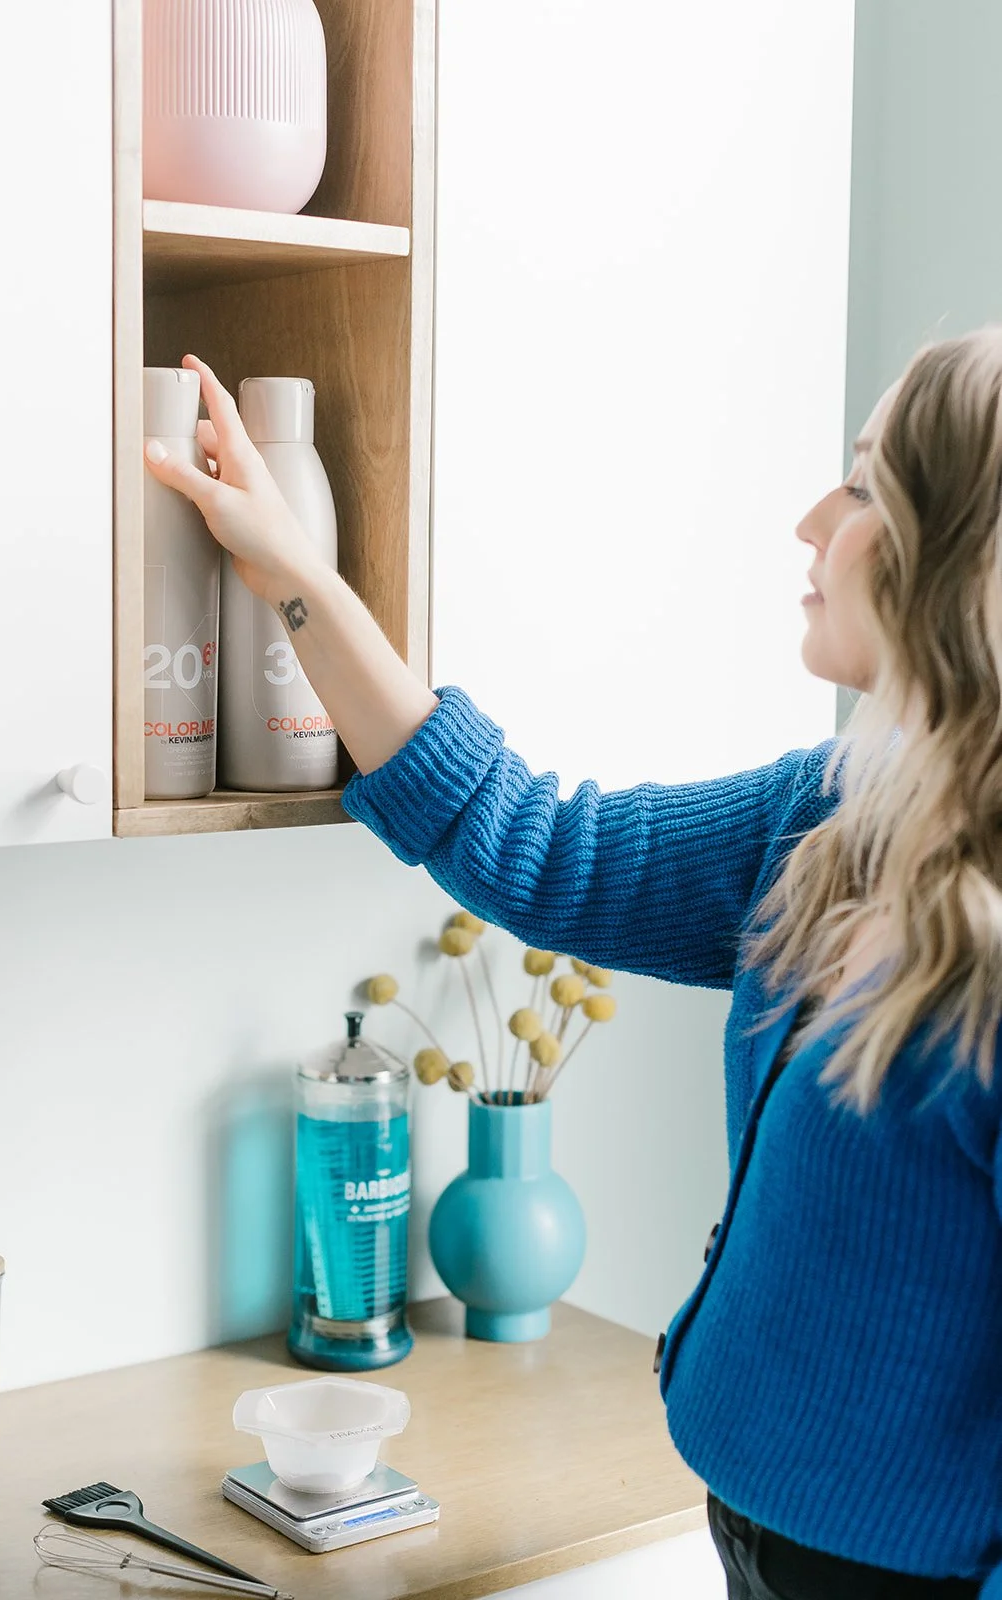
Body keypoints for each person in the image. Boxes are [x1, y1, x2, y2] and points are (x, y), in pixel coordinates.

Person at [144, 330, 1002, 1599]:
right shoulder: (824, 816)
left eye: (866, 485)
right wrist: (290, 572)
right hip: (750, 1535)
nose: (812, 520)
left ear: (966, 559)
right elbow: (544, 851)